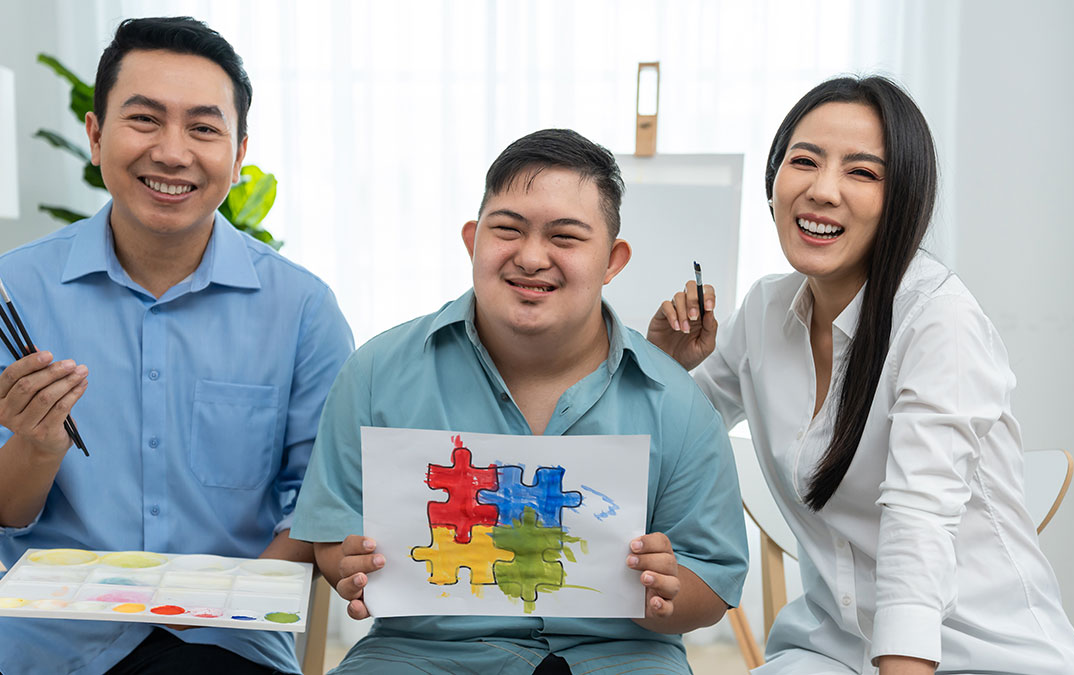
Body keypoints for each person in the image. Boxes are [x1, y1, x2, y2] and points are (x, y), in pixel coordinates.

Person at [0, 16, 353, 675]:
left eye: (203, 128)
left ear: (239, 154)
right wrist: (33, 449)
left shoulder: (302, 309)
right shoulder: (11, 293)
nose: (173, 152)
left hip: (222, 640)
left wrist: (218, 600)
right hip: (36, 635)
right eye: (144, 119)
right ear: (95, 136)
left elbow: (322, 505)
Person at [648, 75, 1074, 675]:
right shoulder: (764, 312)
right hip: (831, 649)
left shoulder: (939, 320)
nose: (822, 190)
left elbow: (917, 524)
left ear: (902, 200)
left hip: (974, 652)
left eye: (862, 172)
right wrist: (666, 369)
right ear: (773, 182)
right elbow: (675, 450)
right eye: (803, 161)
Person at [291, 128, 747, 674]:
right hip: (418, 654)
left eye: (566, 237)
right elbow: (329, 537)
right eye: (507, 230)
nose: (531, 257)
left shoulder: (675, 401)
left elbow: (713, 581)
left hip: (622, 655)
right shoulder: (375, 374)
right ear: (472, 241)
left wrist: (668, 593)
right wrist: (349, 563)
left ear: (612, 261)